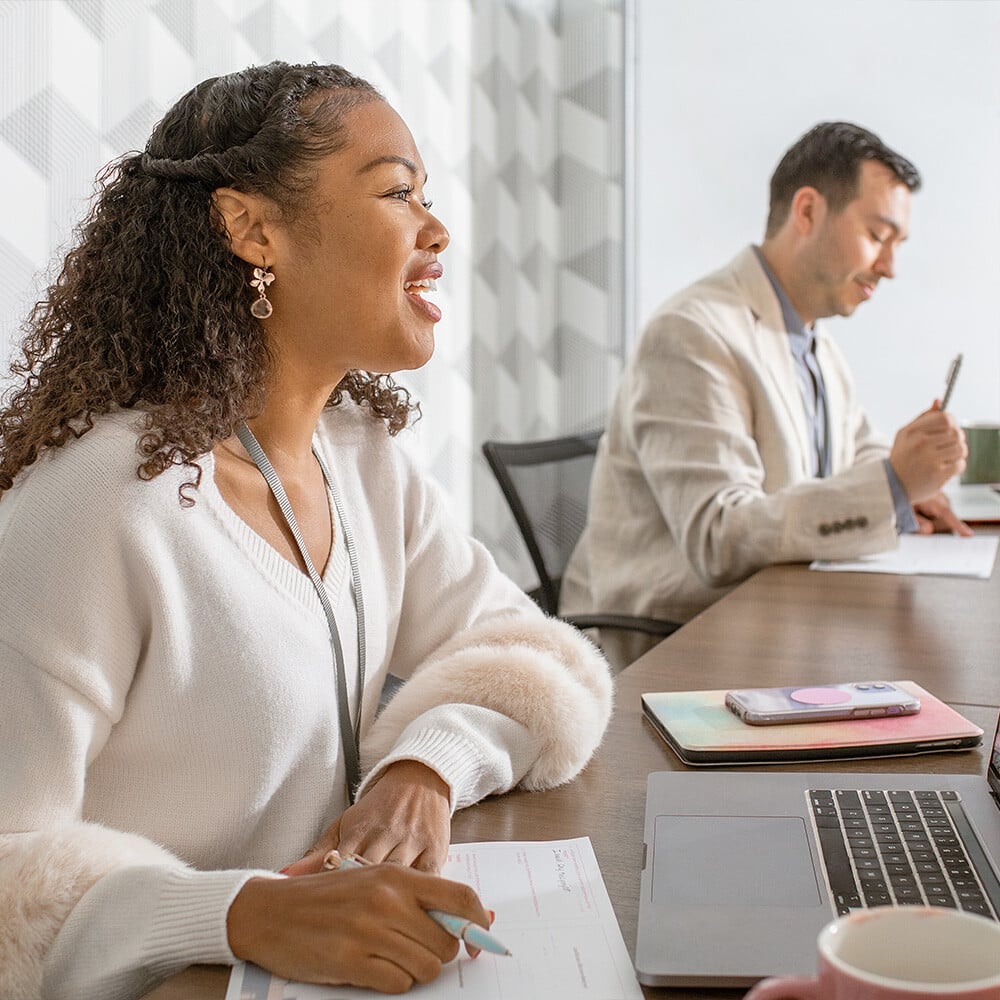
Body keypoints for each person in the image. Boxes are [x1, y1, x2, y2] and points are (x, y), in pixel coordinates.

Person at [0, 61, 613, 999]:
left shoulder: (358, 457)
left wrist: (423, 767)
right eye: (399, 192)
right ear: (252, 228)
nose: (437, 230)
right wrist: (235, 913)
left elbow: (540, 655)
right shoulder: (97, 503)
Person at [560, 121, 969, 670]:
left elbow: (856, 453)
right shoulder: (693, 332)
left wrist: (902, 488)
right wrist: (890, 484)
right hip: (680, 651)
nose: (890, 267)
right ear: (807, 211)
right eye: (878, 235)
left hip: (776, 630)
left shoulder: (813, 341)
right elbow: (720, 537)